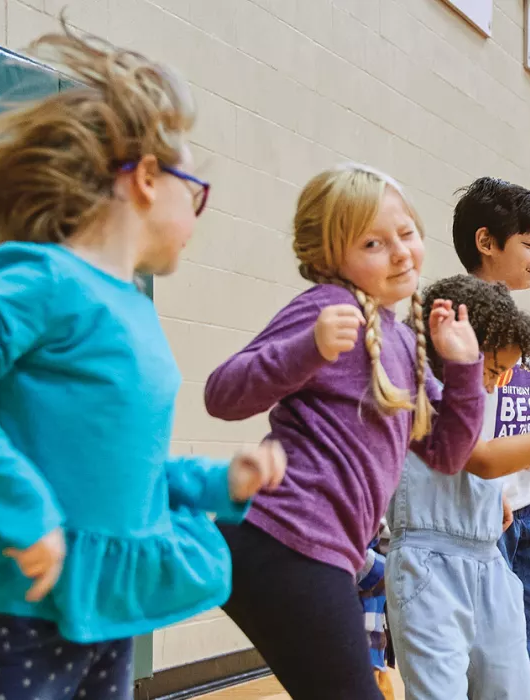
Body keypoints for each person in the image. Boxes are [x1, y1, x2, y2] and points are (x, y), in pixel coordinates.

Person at [0, 23, 286, 700]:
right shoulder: (45, 279)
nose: (198, 214)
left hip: (106, 611)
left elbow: (119, 470)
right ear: (149, 178)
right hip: (17, 607)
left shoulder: (130, 307)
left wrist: (220, 482)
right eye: (197, 193)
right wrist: (27, 511)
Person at [204, 164, 486, 700]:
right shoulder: (328, 309)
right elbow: (222, 394)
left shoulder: (402, 341)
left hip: (318, 553)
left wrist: (466, 367)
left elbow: (449, 454)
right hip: (284, 541)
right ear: (331, 257)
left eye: (406, 234)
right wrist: (306, 348)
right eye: (375, 243)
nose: (401, 252)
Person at [385, 274, 530, 699]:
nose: (497, 381)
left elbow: (477, 469)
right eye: (493, 369)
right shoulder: (414, 390)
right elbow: (481, 459)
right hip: (428, 564)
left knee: (511, 687)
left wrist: (490, 499)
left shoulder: (472, 396)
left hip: (487, 557)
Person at [451, 176, 530, 695]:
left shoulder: (517, 319)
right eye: (529, 243)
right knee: (493, 653)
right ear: (487, 242)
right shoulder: (461, 322)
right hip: (484, 513)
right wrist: (487, 488)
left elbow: (513, 416)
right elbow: (464, 429)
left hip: (523, 506)